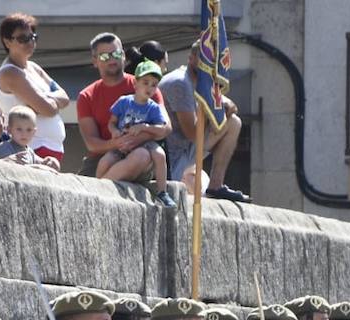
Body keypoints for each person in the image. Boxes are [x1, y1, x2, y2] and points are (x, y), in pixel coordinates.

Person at [158, 43, 249, 202]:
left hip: (186, 151)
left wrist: (221, 103)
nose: (207, 66)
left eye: (211, 62)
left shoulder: (202, 83)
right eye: (203, 60)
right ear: (191, 58)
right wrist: (209, 107)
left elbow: (232, 108)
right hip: (170, 157)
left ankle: (215, 186)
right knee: (228, 121)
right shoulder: (179, 82)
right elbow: (193, 134)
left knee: (233, 122)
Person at [76, 32, 166, 182]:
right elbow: (92, 143)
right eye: (105, 56)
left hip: (139, 153)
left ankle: (100, 192)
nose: (112, 59)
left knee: (141, 156)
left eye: (116, 54)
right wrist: (117, 143)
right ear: (95, 61)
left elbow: (165, 127)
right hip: (102, 158)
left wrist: (137, 138)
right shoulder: (87, 96)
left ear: (123, 55)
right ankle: (103, 190)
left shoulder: (146, 85)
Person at [0, 12, 69, 163]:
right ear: (7, 42)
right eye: (23, 38)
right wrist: (49, 102)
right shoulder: (10, 72)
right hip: (31, 151)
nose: (30, 42)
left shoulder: (34, 67)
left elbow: (65, 97)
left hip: (51, 149)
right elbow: (49, 109)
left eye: (33, 37)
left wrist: (45, 99)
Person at [101, 60, 176, 207]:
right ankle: (98, 186)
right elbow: (111, 122)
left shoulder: (153, 108)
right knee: (105, 161)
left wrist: (144, 127)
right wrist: (115, 132)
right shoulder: (124, 102)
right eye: (145, 82)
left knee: (160, 154)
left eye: (154, 84)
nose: (149, 87)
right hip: (122, 144)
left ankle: (162, 192)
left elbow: (161, 129)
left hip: (144, 144)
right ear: (135, 84)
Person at [0, 105, 60, 170]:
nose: (24, 134)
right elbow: (7, 168)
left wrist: (50, 161)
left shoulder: (30, 151)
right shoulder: (5, 147)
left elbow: (42, 162)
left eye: (29, 130)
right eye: (19, 129)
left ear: (34, 132)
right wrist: (37, 167)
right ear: (9, 130)